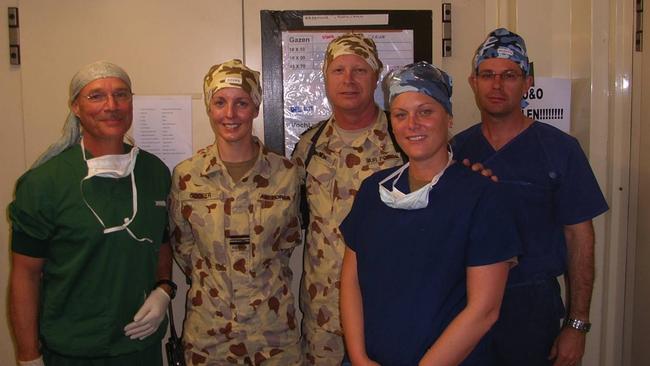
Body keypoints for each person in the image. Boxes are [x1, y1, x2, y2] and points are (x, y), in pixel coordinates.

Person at [339, 61, 521, 366]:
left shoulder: (482, 196)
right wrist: (358, 358)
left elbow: (484, 310)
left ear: (448, 118)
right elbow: (351, 282)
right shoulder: (373, 191)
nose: (412, 124)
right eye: (401, 114)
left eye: (425, 111)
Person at [452, 28, 609, 366]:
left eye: (509, 75)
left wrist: (576, 325)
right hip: (463, 302)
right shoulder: (456, 151)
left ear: (527, 82)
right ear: (473, 81)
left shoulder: (560, 150)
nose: (497, 86)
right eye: (487, 75)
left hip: (532, 307)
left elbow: (580, 238)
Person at [8, 61, 174, 366]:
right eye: (96, 96)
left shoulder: (154, 173)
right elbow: (25, 275)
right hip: (73, 351)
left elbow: (161, 240)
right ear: (75, 107)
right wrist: (28, 354)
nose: (111, 106)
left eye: (121, 95)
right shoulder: (45, 183)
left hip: (141, 350)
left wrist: (164, 288)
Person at [169, 59, 303, 365]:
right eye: (220, 103)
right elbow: (184, 249)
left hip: (274, 333)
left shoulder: (287, 173)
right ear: (209, 107)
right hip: (209, 335)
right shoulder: (188, 176)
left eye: (241, 103)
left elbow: (287, 244)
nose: (230, 114)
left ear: (256, 108)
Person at [291, 33, 406, 365]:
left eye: (360, 70)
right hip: (322, 316)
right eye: (338, 70)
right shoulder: (309, 147)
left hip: (384, 309)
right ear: (326, 78)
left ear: (376, 77)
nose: (349, 80)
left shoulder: (405, 143)